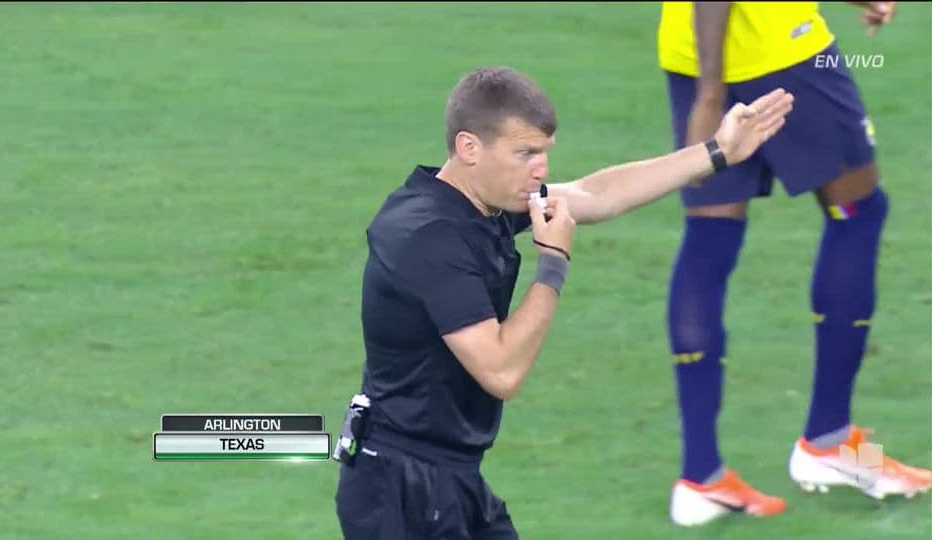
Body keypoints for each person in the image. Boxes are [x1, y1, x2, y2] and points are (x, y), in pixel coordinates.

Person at [332, 65, 793, 539]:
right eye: (526, 154)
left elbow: (596, 194)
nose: (542, 169)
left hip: (448, 474)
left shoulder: (482, 202)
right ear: (469, 148)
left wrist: (718, 151)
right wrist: (552, 264)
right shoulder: (427, 236)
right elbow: (501, 371)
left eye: (544, 152)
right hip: (401, 489)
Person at [657, 1, 932, 527]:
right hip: (780, 51)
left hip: (688, 49)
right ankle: (829, 440)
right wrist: (712, 95)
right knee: (857, 212)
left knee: (711, 237)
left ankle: (700, 477)